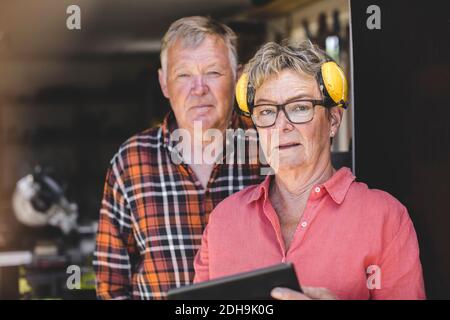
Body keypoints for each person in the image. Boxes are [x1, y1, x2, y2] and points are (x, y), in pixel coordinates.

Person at [194, 41, 426, 299]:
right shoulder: (224, 221)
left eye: (300, 107)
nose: (282, 125)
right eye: (267, 111)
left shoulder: (385, 217)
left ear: (333, 121)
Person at [94, 16, 262, 299]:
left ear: (237, 77)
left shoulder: (268, 148)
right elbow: (111, 285)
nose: (198, 89)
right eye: (183, 75)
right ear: (164, 83)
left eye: (213, 72)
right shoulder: (131, 162)